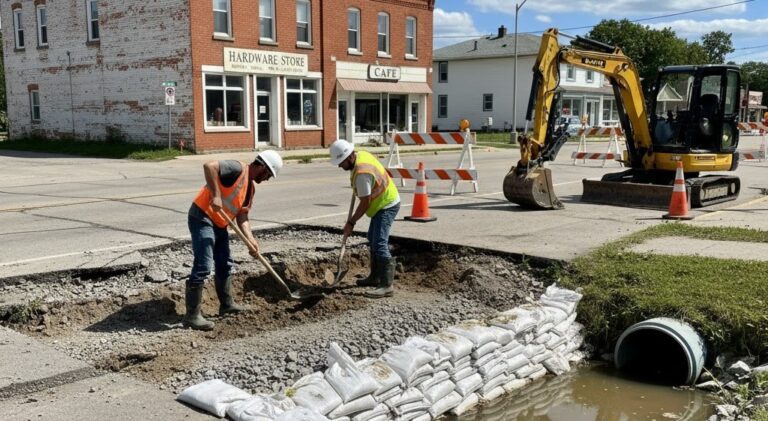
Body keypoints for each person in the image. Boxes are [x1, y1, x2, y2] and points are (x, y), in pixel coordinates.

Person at [184, 150, 283, 330]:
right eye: (268, 174)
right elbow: (209, 166)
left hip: (220, 223)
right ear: (261, 166)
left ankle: (226, 305)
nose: (267, 178)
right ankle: (192, 315)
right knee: (204, 264)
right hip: (202, 216)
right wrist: (216, 195)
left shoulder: (250, 189)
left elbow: (242, 217)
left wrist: (251, 240)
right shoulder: (237, 169)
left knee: (224, 262)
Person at [329, 140, 400, 298]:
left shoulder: (362, 173)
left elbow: (365, 202)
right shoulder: (360, 156)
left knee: (380, 242)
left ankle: (387, 285)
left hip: (386, 204)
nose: (340, 166)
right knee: (372, 238)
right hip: (381, 203)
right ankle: (375, 277)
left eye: (340, 163)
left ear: (348, 158)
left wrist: (351, 222)